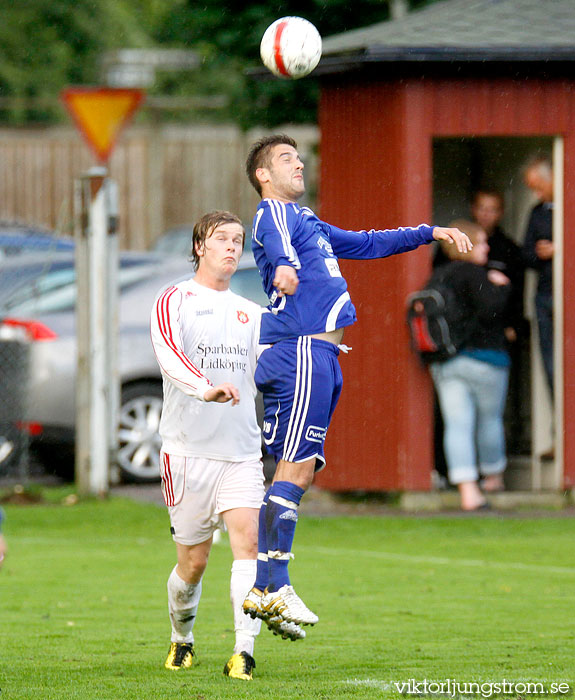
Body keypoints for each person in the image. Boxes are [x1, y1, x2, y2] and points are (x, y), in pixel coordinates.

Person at [241, 134, 473, 629]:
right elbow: (273, 238)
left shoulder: (307, 221)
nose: (298, 164)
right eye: (286, 159)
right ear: (263, 175)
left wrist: (429, 231)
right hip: (302, 349)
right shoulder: (274, 214)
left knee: (299, 472)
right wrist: (282, 266)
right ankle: (271, 586)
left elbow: (368, 243)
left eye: (299, 157)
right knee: (293, 469)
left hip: (319, 354)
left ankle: (268, 586)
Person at [150, 210, 299, 683]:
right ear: (200, 246)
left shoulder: (252, 313)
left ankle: (243, 651)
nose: (232, 248)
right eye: (222, 239)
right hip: (186, 451)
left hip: (240, 452)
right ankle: (182, 637)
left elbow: (278, 368)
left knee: (249, 545)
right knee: (193, 564)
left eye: (238, 240)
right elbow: (168, 356)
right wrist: (204, 388)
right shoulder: (174, 299)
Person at [430, 220, 511, 511]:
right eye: (483, 243)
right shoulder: (476, 274)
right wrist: (501, 288)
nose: (487, 248)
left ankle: (467, 491)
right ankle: (492, 479)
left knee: (457, 425)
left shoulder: (437, 275)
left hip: (447, 362)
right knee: (489, 421)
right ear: (468, 244)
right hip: (486, 359)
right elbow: (491, 310)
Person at [521, 156, 554, 398]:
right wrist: (539, 253)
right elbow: (526, 254)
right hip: (545, 294)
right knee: (551, 364)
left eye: (538, 186)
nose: (536, 193)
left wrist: (562, 248)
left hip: (565, 290)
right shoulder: (538, 213)